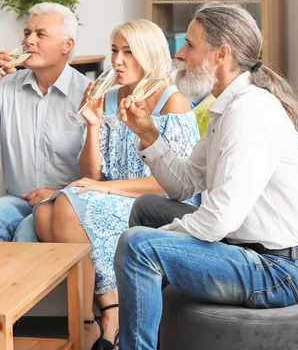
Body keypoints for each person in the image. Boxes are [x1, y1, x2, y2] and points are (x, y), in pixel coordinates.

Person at [114, 3, 298, 350]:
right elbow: (183, 185)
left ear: (221, 54)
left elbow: (218, 221)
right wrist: (148, 133)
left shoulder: (249, 113)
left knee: (138, 245)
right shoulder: (224, 109)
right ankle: (165, 332)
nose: (179, 54)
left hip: (275, 271)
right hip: (244, 250)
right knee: (148, 209)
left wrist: (157, 239)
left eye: (190, 45)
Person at [34, 19, 201, 350]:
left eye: (128, 52)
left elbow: (177, 184)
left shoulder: (173, 101)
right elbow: (93, 175)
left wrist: (107, 188)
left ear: (149, 55)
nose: (116, 61)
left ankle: (104, 316)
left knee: (65, 203)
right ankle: (89, 321)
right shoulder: (109, 99)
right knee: (43, 214)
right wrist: (93, 125)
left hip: (159, 203)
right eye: (114, 51)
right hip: (114, 197)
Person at [0, 2, 90, 243]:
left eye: (41, 34)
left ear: (67, 45)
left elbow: (101, 173)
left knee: (27, 233)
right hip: (18, 200)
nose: (29, 40)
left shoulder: (87, 94)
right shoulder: (4, 86)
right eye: (27, 33)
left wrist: (60, 193)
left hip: (66, 202)